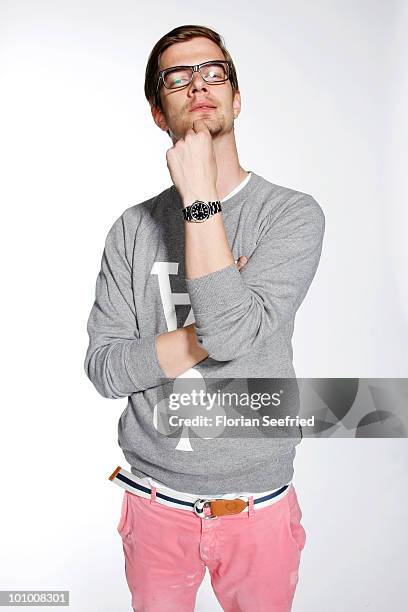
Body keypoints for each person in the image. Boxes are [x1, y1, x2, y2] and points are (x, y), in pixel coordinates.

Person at [84, 24, 325, 612]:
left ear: (236, 99)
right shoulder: (132, 229)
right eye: (178, 77)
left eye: (214, 72)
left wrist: (199, 202)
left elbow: (235, 334)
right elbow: (106, 370)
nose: (198, 84)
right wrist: (216, 325)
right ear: (156, 112)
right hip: (153, 503)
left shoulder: (289, 215)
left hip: (257, 509)